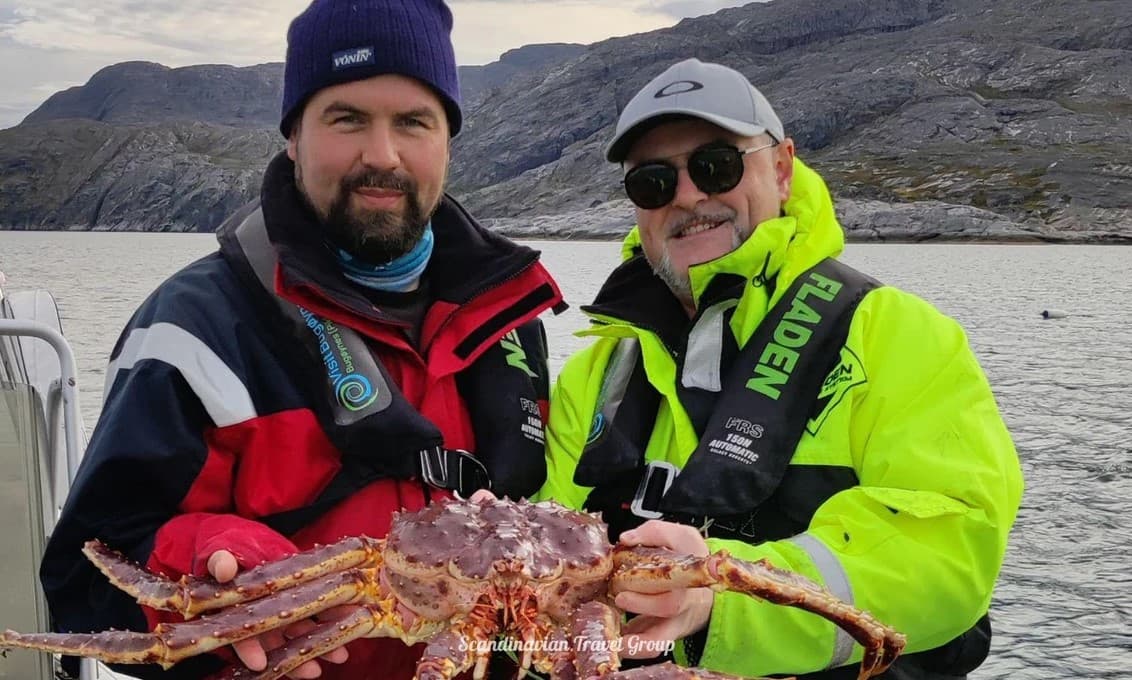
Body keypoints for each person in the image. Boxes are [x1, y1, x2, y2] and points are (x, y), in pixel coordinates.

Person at [40, 1, 564, 678]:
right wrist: (206, 554)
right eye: (347, 119)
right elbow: (86, 583)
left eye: (413, 122)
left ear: (447, 140)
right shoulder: (193, 328)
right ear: (293, 138)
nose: (382, 155)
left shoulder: (512, 320)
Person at [539, 58, 1024, 679]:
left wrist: (718, 601)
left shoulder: (897, 334)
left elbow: (950, 551)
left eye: (717, 165)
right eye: (653, 182)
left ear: (783, 168)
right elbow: (545, 558)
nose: (688, 196)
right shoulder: (597, 374)